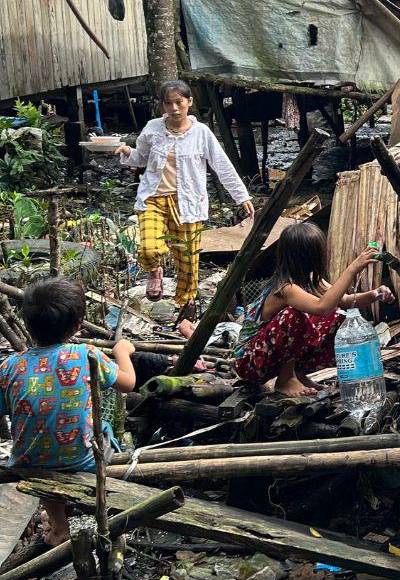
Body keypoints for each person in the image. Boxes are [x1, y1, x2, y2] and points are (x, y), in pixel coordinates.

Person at [0, 277, 136, 545]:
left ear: (27, 324)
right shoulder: (85, 354)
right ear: (76, 325)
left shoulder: (9, 366)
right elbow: (127, 383)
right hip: (81, 458)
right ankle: (61, 529)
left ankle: (57, 517)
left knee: (40, 446)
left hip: (30, 460)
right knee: (103, 432)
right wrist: (123, 351)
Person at [113, 80, 254, 323]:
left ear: (189, 102)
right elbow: (141, 158)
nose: (175, 108)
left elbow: (221, 165)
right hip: (154, 198)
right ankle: (154, 269)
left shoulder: (201, 133)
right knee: (148, 249)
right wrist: (127, 153)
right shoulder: (153, 129)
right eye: (169, 103)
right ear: (162, 106)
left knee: (187, 262)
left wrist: (242, 196)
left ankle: (185, 310)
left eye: (180, 102)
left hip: (188, 202)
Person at [234, 224, 393, 396]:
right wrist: (353, 268)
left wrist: (375, 294)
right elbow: (321, 307)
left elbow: (345, 301)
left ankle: (298, 374)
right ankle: (285, 380)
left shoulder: (310, 281)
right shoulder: (285, 288)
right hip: (249, 362)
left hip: (268, 359)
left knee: (337, 315)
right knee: (294, 315)